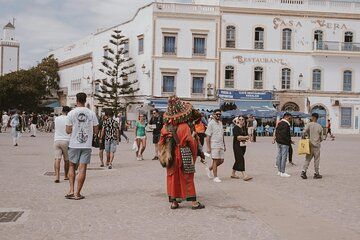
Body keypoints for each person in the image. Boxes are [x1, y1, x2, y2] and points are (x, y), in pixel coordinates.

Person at [159, 96, 205, 210]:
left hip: (171, 155)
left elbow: (161, 142)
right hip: (184, 152)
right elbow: (191, 143)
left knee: (172, 177)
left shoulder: (166, 127)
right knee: (187, 176)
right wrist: (196, 150)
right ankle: (194, 202)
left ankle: (174, 202)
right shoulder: (185, 127)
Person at [65, 92, 99, 200]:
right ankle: (78, 193)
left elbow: (68, 130)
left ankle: (71, 190)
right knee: (83, 168)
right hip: (86, 144)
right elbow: (96, 130)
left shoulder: (71, 113)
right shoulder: (91, 113)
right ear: (86, 100)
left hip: (74, 144)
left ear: (76, 100)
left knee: (71, 166)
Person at [301, 113, 324, 180]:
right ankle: (316, 173)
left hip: (309, 145)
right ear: (317, 118)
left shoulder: (308, 124)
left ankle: (303, 172)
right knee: (316, 160)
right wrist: (317, 141)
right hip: (316, 146)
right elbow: (322, 138)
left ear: (312, 117)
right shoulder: (320, 126)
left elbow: (303, 132)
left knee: (307, 159)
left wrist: (304, 138)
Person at [205, 109, 226, 183]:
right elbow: (208, 137)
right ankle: (215, 177)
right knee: (215, 160)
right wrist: (208, 148)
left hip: (221, 145)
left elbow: (222, 135)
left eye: (219, 114)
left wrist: (224, 144)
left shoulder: (220, 123)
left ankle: (209, 169)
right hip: (214, 144)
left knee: (221, 160)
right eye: (217, 114)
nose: (218, 116)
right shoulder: (211, 123)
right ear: (213, 114)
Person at [53, 106, 71, 183]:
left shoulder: (56, 118)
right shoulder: (69, 119)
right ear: (68, 112)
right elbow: (70, 130)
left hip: (57, 140)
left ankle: (57, 176)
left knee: (57, 159)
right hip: (66, 140)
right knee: (66, 160)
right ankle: (66, 175)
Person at [231, 116, 252, 181]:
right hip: (237, 146)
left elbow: (248, 136)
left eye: (242, 119)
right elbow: (238, 137)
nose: (241, 120)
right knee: (241, 159)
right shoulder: (235, 128)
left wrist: (246, 137)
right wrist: (246, 137)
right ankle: (244, 175)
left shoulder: (243, 128)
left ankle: (233, 174)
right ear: (238, 120)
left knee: (238, 159)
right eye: (240, 119)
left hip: (243, 145)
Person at [275, 112, 293, 177]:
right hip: (284, 143)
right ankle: (283, 172)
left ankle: (279, 171)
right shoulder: (286, 124)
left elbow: (276, 132)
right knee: (283, 157)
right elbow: (285, 134)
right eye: (289, 118)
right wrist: (289, 141)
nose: (290, 119)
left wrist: (276, 139)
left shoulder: (279, 123)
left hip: (279, 142)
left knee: (279, 156)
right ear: (286, 117)